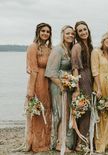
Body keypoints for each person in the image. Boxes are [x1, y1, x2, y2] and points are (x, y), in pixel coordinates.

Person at [45, 25, 75, 151]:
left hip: (69, 85)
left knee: (68, 113)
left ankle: (67, 142)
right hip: (58, 86)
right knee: (60, 113)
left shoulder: (71, 49)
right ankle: (58, 143)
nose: (70, 36)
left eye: (72, 34)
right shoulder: (57, 50)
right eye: (68, 33)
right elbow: (50, 72)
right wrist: (61, 85)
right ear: (62, 34)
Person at [25, 22, 52, 152]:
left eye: (47, 31)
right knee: (38, 111)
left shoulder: (49, 49)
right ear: (38, 32)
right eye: (43, 31)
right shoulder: (33, 47)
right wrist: (31, 90)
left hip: (49, 82)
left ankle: (46, 142)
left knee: (47, 110)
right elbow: (33, 70)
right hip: (38, 81)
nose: (45, 33)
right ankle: (37, 143)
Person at [90, 31, 108, 153]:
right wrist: (98, 88)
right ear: (103, 38)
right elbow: (94, 71)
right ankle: (100, 143)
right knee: (100, 113)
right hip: (100, 83)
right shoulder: (96, 52)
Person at [71, 21, 93, 150]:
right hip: (82, 79)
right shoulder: (77, 47)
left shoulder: (89, 46)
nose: (83, 32)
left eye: (85, 29)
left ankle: (83, 140)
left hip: (89, 79)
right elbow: (75, 68)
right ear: (77, 34)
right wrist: (77, 88)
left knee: (87, 110)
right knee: (84, 110)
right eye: (80, 31)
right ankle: (79, 143)